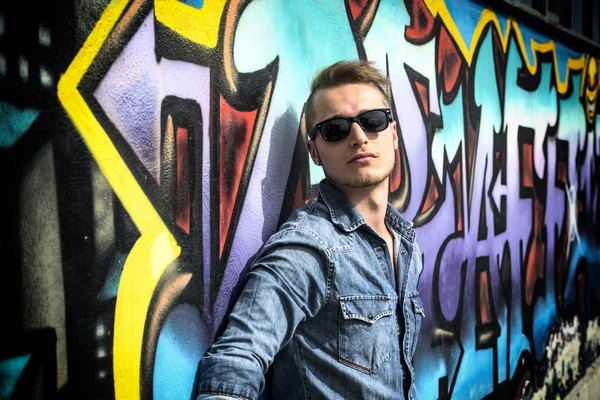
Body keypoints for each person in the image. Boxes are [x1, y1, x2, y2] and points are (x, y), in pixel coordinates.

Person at [196, 60, 424, 400]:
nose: (359, 137)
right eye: (336, 129)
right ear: (314, 151)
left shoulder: (405, 244)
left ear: (393, 135)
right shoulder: (308, 247)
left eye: (372, 121)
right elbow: (236, 360)